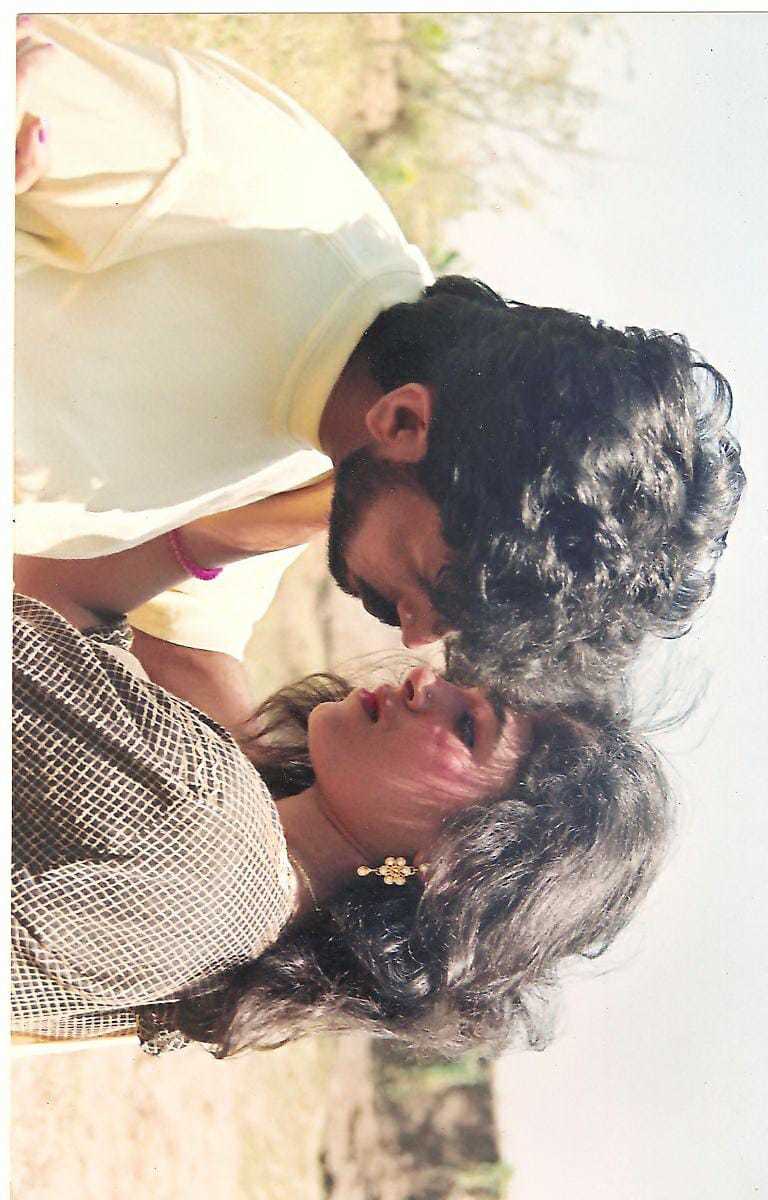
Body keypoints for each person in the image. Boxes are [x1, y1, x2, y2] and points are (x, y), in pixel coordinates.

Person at [14, 18, 744, 719]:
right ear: (404, 420)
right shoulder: (242, 196)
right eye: (439, 592)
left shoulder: (327, 472)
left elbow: (180, 644)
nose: (416, 636)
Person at [12, 554, 671, 1058]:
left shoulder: (205, 820)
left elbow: (37, 605)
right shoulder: (237, 962)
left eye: (468, 727)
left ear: (457, 863)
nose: (423, 680)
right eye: (459, 681)